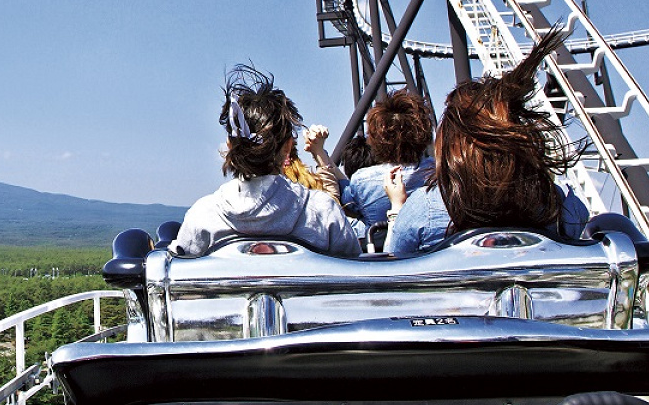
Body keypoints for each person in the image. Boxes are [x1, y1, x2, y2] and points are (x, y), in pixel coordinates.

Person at [384, 29, 590, 255]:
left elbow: (393, 261)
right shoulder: (555, 202)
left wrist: (396, 209)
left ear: (452, 146)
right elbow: (581, 218)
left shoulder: (423, 208)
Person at [173, 65, 360, 258]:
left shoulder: (203, 217)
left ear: (230, 145)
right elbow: (353, 270)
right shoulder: (322, 213)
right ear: (288, 147)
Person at [340, 90, 435, 232]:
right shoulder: (439, 171)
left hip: (381, 248)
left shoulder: (361, 180)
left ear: (375, 140)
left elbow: (347, 203)